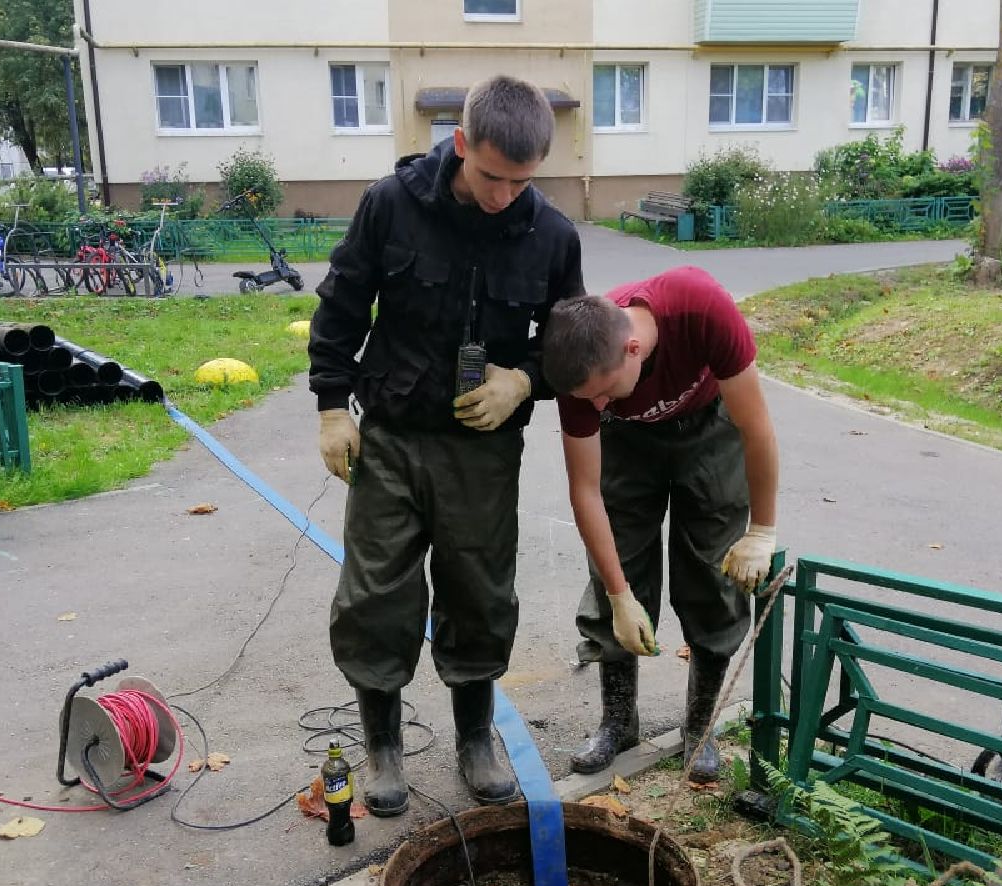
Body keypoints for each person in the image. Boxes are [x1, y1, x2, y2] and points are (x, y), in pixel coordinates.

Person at [308, 76, 584, 816]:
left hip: (481, 450)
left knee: (480, 594)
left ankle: (474, 741)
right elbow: (340, 303)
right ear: (461, 145)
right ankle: (385, 750)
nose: (503, 196)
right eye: (492, 176)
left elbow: (565, 344)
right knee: (375, 597)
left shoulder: (552, 234)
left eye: (520, 182)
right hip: (392, 435)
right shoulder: (390, 205)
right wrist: (333, 409)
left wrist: (524, 381)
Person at [542, 266, 780, 782]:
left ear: (633, 349)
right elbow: (585, 491)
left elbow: (757, 428)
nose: (597, 406)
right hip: (629, 443)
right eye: (589, 400)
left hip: (709, 427)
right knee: (617, 565)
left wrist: (762, 529)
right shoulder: (582, 371)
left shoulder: (700, 307)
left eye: (604, 393)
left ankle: (699, 726)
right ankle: (618, 721)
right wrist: (620, 594)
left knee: (714, 570)